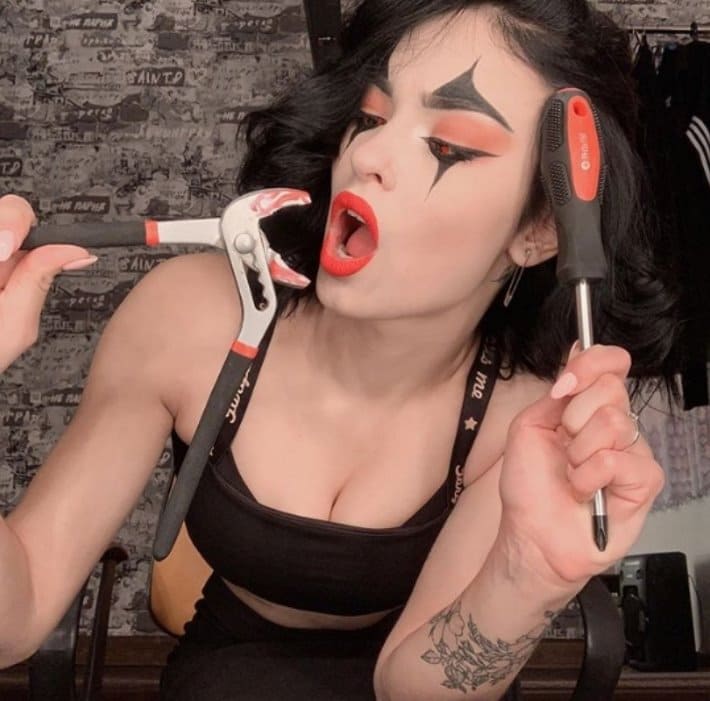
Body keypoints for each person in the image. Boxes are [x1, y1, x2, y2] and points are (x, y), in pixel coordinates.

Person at [0, 0, 679, 699]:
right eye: (372, 116)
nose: (366, 155)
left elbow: (412, 689)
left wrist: (527, 573)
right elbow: (14, 620)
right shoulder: (187, 318)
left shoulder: (532, 419)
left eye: (448, 144)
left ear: (539, 230)